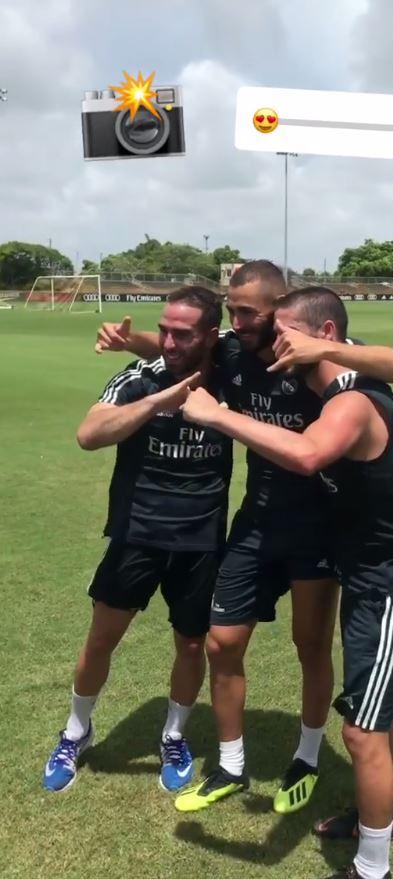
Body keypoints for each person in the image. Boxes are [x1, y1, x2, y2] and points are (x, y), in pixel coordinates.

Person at [96, 263, 393, 816]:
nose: (236, 319)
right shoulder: (233, 350)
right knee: (221, 641)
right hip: (256, 520)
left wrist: (326, 354)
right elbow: (190, 346)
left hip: (319, 524)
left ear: (276, 310)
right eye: (232, 307)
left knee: (310, 646)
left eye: (247, 311)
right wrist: (135, 340)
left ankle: (308, 756)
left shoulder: (312, 347)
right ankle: (231, 762)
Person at [180, 286, 393, 879]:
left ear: (324, 338)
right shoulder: (326, 387)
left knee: (363, 730)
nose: (271, 342)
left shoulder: (350, 402)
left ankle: (373, 868)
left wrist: (219, 416)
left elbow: (306, 456)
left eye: (281, 332)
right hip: (368, 576)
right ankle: (377, 814)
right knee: (378, 708)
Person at [43, 286, 233, 794]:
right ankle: (76, 730)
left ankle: (174, 735)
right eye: (164, 331)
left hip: (201, 539)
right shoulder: (138, 378)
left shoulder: (233, 376)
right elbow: (89, 434)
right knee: (102, 638)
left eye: (183, 334)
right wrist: (157, 403)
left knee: (192, 645)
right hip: (137, 533)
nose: (169, 342)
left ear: (212, 336)